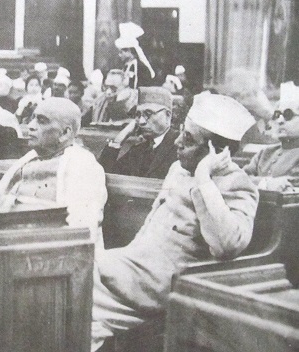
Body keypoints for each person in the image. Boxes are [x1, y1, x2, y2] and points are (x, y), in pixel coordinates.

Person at [91, 92, 259, 351]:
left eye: (188, 139)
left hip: (165, 284)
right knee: (75, 275)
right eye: (181, 132)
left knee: (76, 288)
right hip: (135, 268)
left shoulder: (236, 184)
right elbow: (150, 224)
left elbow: (229, 244)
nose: (178, 142)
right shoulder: (178, 169)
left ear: (218, 151)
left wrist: (204, 177)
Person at [0, 97, 107, 248]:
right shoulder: (28, 159)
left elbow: (80, 229)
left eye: (41, 121)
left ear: (65, 133)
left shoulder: (83, 165)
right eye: (32, 118)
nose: (30, 126)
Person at [98, 87, 179, 179]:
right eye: (138, 115)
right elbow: (103, 176)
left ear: (168, 115)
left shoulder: (180, 146)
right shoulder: (138, 150)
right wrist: (119, 139)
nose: (141, 121)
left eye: (148, 114)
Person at [243, 94, 299, 191]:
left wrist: (256, 182)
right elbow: (240, 178)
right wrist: (265, 183)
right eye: (277, 115)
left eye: (288, 115)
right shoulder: (265, 153)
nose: (280, 121)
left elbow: (291, 184)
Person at [115, 22, 155, 89]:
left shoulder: (139, 67)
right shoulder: (126, 66)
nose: (119, 55)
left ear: (129, 51)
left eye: (121, 52)